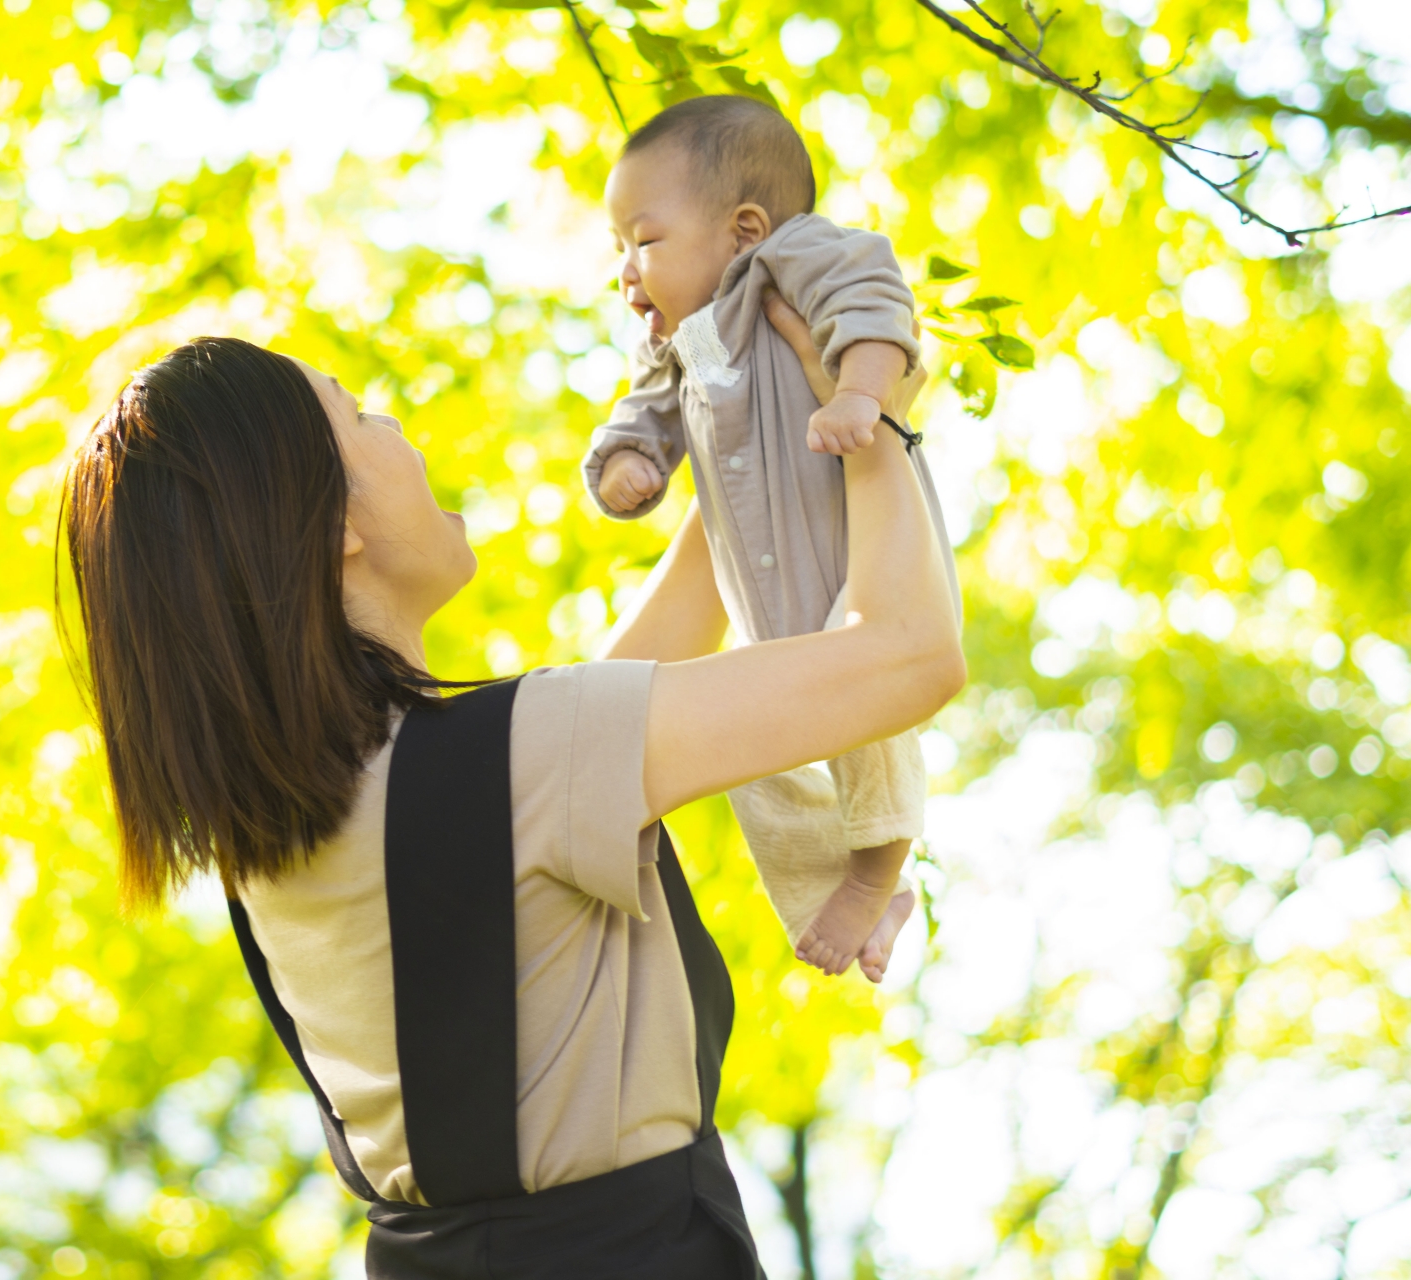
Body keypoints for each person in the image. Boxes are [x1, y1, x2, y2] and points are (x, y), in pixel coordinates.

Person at [59, 313, 963, 1277]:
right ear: (335, 525)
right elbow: (909, 657)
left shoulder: (293, 835)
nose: (396, 427)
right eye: (360, 417)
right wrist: (879, 423)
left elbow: (631, 677)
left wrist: (753, 418)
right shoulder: (524, 757)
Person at [581, 95, 963, 982]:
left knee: (864, 713)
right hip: (763, 608)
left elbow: (872, 304)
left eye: (643, 240)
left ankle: (878, 868)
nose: (627, 272)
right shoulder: (705, 340)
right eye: (617, 251)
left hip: (850, 569)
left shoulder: (792, 263)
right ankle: (845, 900)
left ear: (744, 230)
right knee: (750, 763)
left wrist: (859, 396)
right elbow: (654, 410)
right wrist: (628, 463)